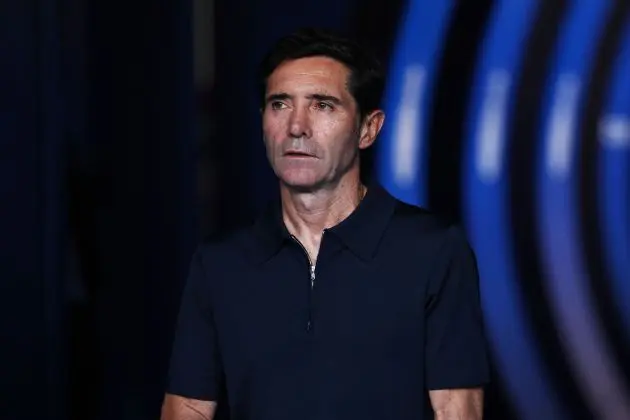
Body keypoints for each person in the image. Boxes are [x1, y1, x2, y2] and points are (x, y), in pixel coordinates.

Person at [161, 27, 490, 420]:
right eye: (280, 104)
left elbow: (457, 411)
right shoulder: (220, 263)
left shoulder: (433, 250)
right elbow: (188, 409)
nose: (296, 126)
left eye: (322, 105)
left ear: (368, 129)